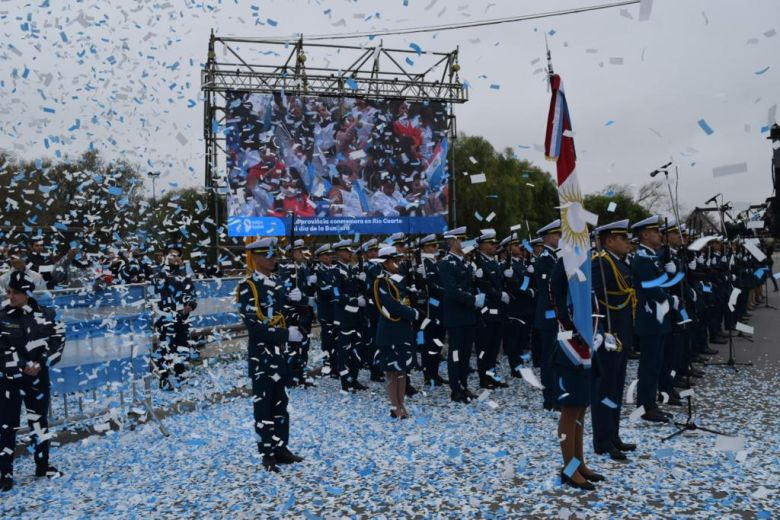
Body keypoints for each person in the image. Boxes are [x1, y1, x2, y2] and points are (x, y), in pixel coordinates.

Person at [236, 238, 304, 472]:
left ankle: (281, 447)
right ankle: (267, 452)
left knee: (281, 403)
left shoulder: (277, 283)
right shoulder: (248, 287)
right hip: (262, 356)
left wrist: (297, 300)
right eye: (269, 255)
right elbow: (255, 326)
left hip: (279, 355)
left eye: (275, 255)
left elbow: (287, 313)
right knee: (263, 405)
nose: (274, 259)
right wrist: (286, 334)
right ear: (255, 257)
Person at [1, 271, 65, 492]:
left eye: (16, 293)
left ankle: (42, 465)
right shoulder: (2, 317)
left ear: (28, 293)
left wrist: (41, 363)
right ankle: (5, 473)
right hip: (9, 380)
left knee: (39, 422)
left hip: (38, 378)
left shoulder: (47, 314)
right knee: (7, 426)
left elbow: (57, 341)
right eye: (9, 292)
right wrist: (20, 365)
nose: (11, 296)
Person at [550, 251, 604, 491]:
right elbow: (558, 300)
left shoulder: (584, 262)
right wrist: (576, 330)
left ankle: (579, 463)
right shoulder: (565, 262)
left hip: (585, 344)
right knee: (570, 410)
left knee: (581, 407)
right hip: (570, 346)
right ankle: (568, 469)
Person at [590, 220, 637, 461]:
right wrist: (600, 333)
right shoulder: (601, 262)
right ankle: (602, 440)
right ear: (609, 241)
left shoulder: (619, 262)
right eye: (622, 238)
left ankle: (613, 435)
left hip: (622, 332)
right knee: (605, 388)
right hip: (609, 335)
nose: (628, 242)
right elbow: (594, 300)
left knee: (616, 387)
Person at [630, 216, 673, 423]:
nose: (660, 235)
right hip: (650, 317)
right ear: (645, 235)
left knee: (655, 364)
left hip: (658, 317)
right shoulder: (642, 258)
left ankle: (651, 404)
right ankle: (646, 406)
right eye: (656, 232)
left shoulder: (652, 257)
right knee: (649, 365)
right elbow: (651, 288)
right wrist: (670, 299)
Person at [373, 246, 419, 419]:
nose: (397, 264)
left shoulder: (398, 279)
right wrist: (411, 313)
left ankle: (401, 404)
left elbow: (405, 299)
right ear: (385, 263)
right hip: (390, 330)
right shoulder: (382, 281)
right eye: (394, 261)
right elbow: (391, 305)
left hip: (402, 329)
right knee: (392, 372)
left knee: (402, 371)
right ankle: (395, 406)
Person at [438, 227, 482, 403]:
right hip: (456, 316)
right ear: (452, 242)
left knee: (465, 354)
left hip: (468, 315)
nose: (464, 242)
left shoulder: (466, 262)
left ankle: (464, 385)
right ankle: (455, 389)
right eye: (461, 239)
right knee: (455, 353)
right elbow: (452, 290)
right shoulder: (446, 263)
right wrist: (472, 299)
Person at [151, 244, 198, 390]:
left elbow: (192, 292)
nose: (175, 257)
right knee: (165, 348)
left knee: (182, 347)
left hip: (182, 317)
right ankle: (164, 380)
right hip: (165, 317)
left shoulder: (184, 273)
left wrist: (190, 305)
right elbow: (156, 293)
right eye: (172, 254)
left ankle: (180, 377)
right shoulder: (158, 272)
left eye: (178, 255)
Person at [473, 229, 509, 389]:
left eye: (495, 243)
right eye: (491, 243)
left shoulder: (493, 261)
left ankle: (491, 375)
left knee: (494, 347)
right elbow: (483, 287)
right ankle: (483, 378)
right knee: (484, 347)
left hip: (498, 311)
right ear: (481, 245)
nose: (495, 245)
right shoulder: (478, 263)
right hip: (486, 311)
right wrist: (499, 295)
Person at [278, 239, 317, 388]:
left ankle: (301, 375)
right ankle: (290, 377)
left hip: (304, 311)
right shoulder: (286, 268)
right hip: (292, 313)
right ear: (292, 253)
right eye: (299, 251)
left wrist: (312, 285)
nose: (302, 253)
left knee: (304, 345)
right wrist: (295, 297)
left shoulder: (303, 267)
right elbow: (285, 292)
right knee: (292, 346)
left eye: (303, 250)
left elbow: (307, 292)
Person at [533, 219, 562, 411]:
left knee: (557, 357)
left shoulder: (555, 257)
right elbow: (550, 286)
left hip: (557, 314)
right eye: (557, 235)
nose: (560, 238)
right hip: (548, 315)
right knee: (549, 359)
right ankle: (549, 399)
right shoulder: (545, 259)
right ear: (548, 237)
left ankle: (557, 396)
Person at [332, 239, 368, 392]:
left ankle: (354, 378)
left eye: (350, 251)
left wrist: (362, 282)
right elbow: (336, 294)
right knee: (344, 351)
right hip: (344, 318)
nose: (349, 253)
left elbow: (359, 290)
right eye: (346, 251)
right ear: (339, 252)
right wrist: (354, 301)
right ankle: (345, 382)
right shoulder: (334, 271)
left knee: (356, 349)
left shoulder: (352, 270)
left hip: (356, 317)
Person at [500, 232, 536, 377]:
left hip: (526, 308)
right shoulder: (507, 266)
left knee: (522, 339)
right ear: (507, 249)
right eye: (514, 245)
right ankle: (515, 367)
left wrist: (532, 276)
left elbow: (529, 282)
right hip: (515, 308)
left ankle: (520, 364)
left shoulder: (521, 264)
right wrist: (529, 292)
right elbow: (514, 286)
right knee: (513, 340)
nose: (519, 247)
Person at [418, 233, 447, 387]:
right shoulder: (423, 264)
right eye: (431, 245)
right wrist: (447, 292)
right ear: (423, 248)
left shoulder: (434, 263)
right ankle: (428, 375)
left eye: (435, 245)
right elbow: (430, 288)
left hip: (439, 310)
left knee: (437, 343)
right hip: (429, 311)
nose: (434, 248)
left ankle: (435, 373)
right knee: (428, 344)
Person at [314, 243, 338, 377]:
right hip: (326, 310)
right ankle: (328, 366)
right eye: (326, 255)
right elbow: (324, 290)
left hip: (335, 310)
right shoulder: (318, 271)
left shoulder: (333, 270)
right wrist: (339, 293)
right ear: (320, 257)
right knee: (327, 340)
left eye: (330, 254)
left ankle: (336, 365)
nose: (329, 257)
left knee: (336, 339)